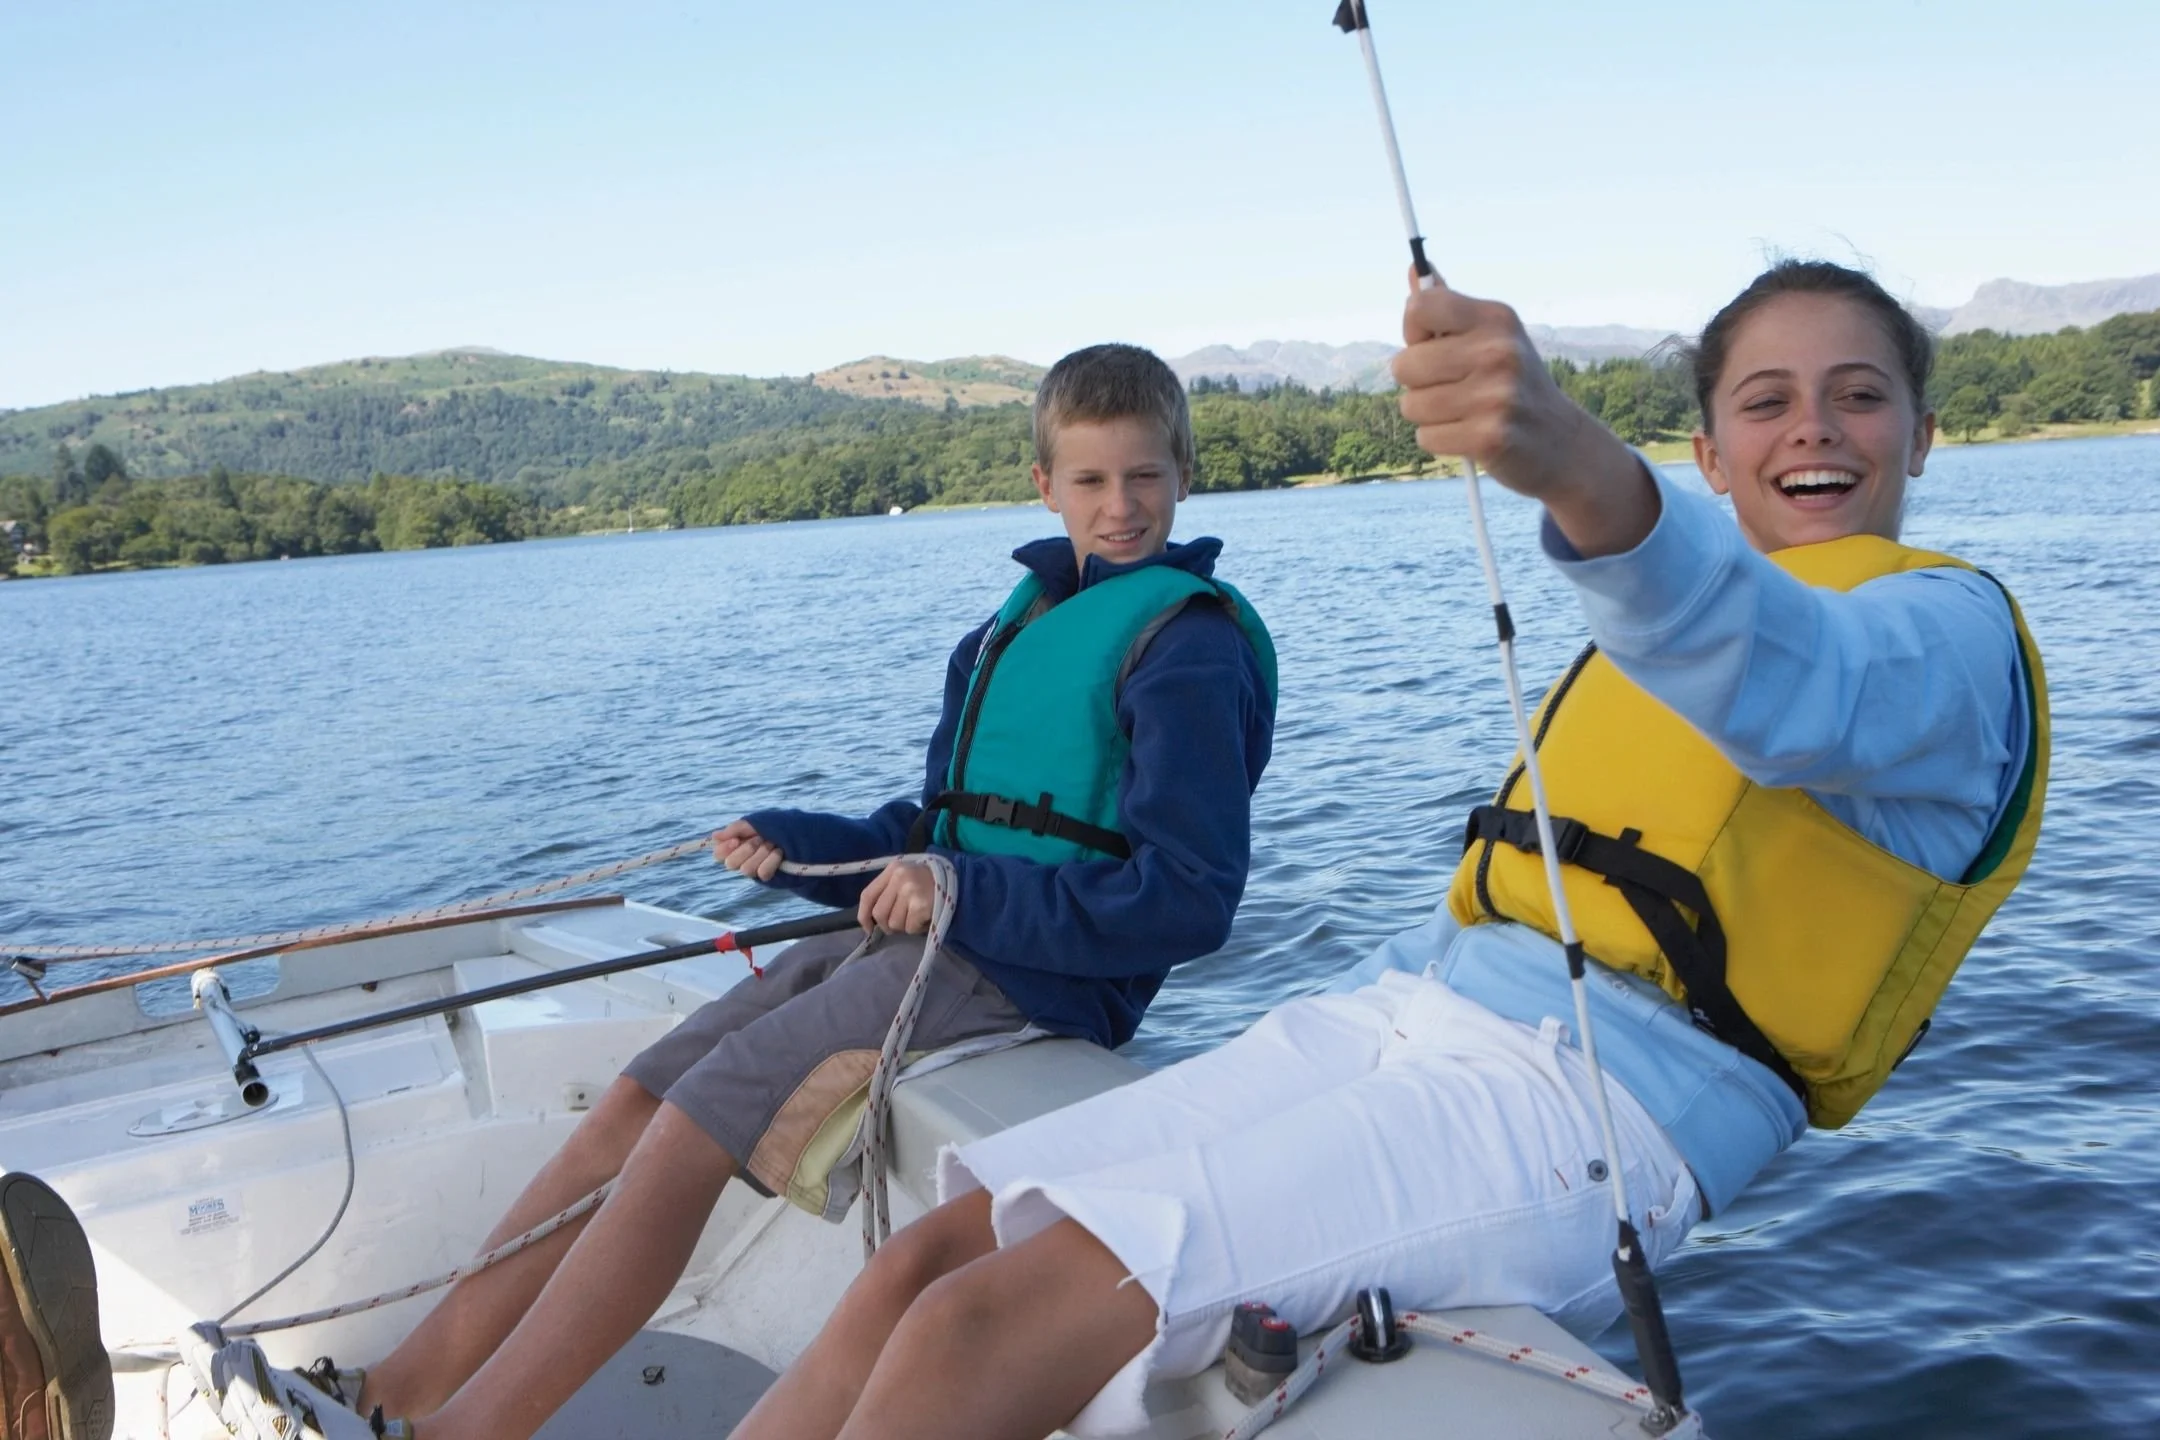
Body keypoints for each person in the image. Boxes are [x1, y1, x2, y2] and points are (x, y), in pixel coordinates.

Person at [726, 260, 2050, 1440]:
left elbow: (1798, 682)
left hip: (1595, 1103)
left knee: (987, 1325)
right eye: (1765, 399)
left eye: (1858, 395)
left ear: (1925, 433)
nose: (1812, 423)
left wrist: (1576, 464)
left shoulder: (1943, 640)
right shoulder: (1679, 609)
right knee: (926, 1266)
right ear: (1709, 451)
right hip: (1412, 1004)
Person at [0, 342, 1278, 1440]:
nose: (1121, 506)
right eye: (1094, 479)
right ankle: (394, 1387)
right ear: (1045, 482)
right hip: (935, 931)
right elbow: (934, 823)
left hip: (1032, 970)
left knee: (684, 1136)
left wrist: (955, 892)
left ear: (1183, 475)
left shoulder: (1187, 649)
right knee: (631, 1096)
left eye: (1146, 477)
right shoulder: (1003, 631)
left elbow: (1187, 900)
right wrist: (804, 841)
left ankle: (461, 1431)